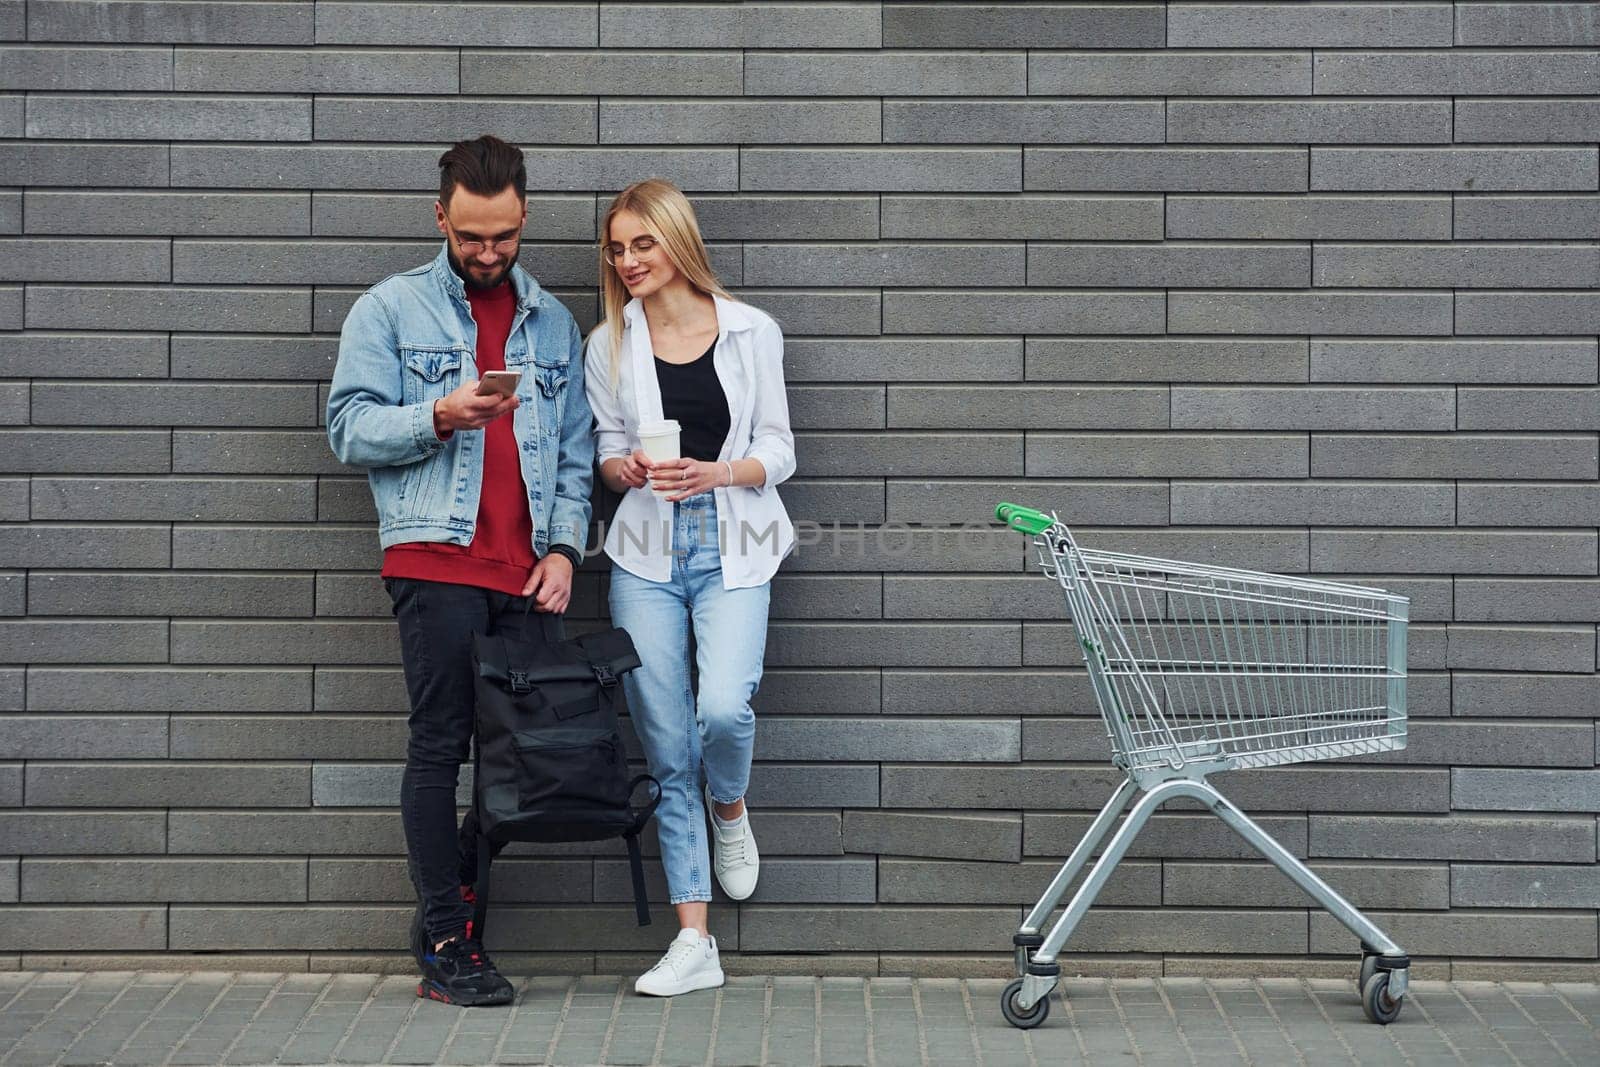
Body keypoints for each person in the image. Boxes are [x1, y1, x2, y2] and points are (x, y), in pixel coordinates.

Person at [326, 134, 593, 1007]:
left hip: (525, 573)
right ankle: (448, 935)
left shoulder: (552, 323)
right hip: (433, 557)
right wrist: (436, 413)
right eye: (472, 235)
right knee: (440, 744)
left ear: (524, 219)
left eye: (504, 236)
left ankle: (450, 905)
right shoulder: (390, 309)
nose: (487, 253)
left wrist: (563, 549)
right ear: (441, 216)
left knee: (522, 760)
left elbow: (579, 456)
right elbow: (347, 428)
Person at [584, 178, 797, 997]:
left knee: (722, 710)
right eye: (617, 248)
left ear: (676, 241)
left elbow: (780, 449)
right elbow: (605, 450)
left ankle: (732, 806)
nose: (629, 260)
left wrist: (717, 471)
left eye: (643, 243)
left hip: (735, 544)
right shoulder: (608, 343)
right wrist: (625, 466)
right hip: (645, 554)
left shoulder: (750, 332)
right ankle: (694, 941)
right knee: (668, 743)